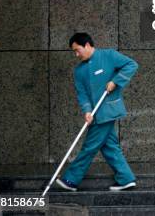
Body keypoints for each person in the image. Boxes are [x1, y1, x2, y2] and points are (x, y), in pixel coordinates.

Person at [56, 32, 138, 192]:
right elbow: (82, 94)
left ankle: (70, 179)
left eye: (77, 50)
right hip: (94, 113)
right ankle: (126, 178)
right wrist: (87, 111)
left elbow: (132, 65)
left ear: (87, 45)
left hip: (108, 110)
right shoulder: (79, 71)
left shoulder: (109, 55)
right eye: (74, 51)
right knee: (110, 146)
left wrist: (115, 82)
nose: (76, 54)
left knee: (90, 146)